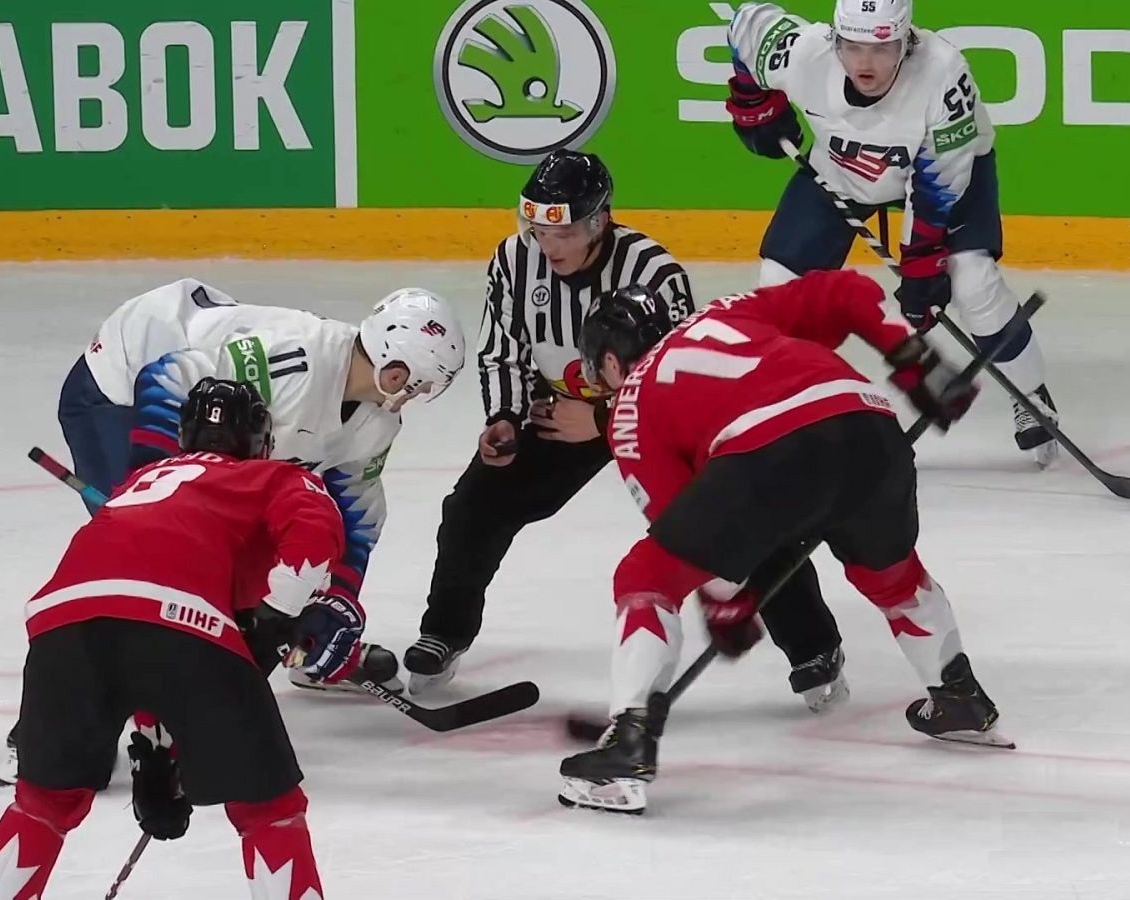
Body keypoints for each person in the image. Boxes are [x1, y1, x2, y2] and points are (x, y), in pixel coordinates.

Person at [405, 149, 850, 713]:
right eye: (538, 229)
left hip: (659, 418)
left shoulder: (653, 273)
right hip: (557, 413)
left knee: (736, 512)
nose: (549, 245)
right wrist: (505, 418)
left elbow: (676, 374)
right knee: (474, 505)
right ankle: (445, 631)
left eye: (562, 232)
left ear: (598, 221)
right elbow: (503, 351)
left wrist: (597, 420)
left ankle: (814, 646)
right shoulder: (514, 261)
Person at [557, 273, 1013, 815]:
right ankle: (960, 698)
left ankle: (627, 743)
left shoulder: (630, 401)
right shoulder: (729, 310)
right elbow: (845, 293)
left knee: (647, 575)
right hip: (870, 427)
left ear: (611, 362)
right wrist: (915, 360)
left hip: (769, 451)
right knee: (892, 575)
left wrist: (726, 603)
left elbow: (682, 528)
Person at [0, 281, 466, 785]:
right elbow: (166, 378)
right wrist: (155, 492)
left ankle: (291, 655)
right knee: (146, 571)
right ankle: (43, 735)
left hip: (215, 424)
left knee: (255, 550)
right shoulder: (294, 364)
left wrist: (335, 604)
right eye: (415, 384)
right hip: (121, 383)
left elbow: (354, 515)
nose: (414, 397)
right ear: (393, 368)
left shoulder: (375, 422)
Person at [0, 378, 357, 900]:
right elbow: (314, 531)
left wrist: (156, 753)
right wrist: (281, 611)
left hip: (62, 622)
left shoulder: (141, 482)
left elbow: (138, 641)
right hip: (183, 624)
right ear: (259, 442)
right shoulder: (273, 476)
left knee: (41, 802)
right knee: (269, 809)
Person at [725, 0, 1060, 466]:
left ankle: (1032, 396)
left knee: (974, 283)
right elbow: (746, 24)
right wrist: (752, 102)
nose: (865, 63)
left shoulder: (943, 76)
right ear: (835, 38)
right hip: (843, 171)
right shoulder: (804, 54)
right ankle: (790, 414)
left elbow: (939, 187)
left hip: (946, 177)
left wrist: (923, 268)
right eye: (853, 46)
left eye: (882, 48)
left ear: (907, 41)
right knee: (781, 288)